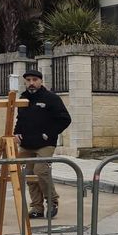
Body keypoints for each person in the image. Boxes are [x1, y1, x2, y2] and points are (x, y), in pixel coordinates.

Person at [13, 68, 71, 219]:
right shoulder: (23, 98)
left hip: (45, 143)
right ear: (25, 82)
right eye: (28, 80)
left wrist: (49, 134)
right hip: (26, 143)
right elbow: (20, 119)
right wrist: (16, 132)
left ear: (40, 81)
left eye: (34, 80)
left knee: (40, 170)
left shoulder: (51, 98)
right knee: (28, 174)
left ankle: (52, 201)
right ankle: (37, 207)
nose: (31, 83)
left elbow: (65, 119)